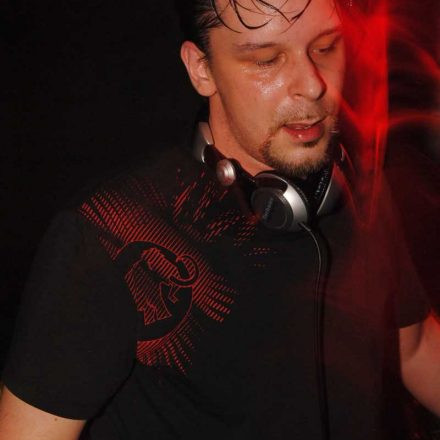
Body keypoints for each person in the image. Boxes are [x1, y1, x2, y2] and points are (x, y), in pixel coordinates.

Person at [0, 0, 439, 438]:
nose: (311, 85)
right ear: (201, 69)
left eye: (326, 48)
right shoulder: (111, 234)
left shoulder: (360, 192)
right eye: (266, 60)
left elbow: (414, 346)